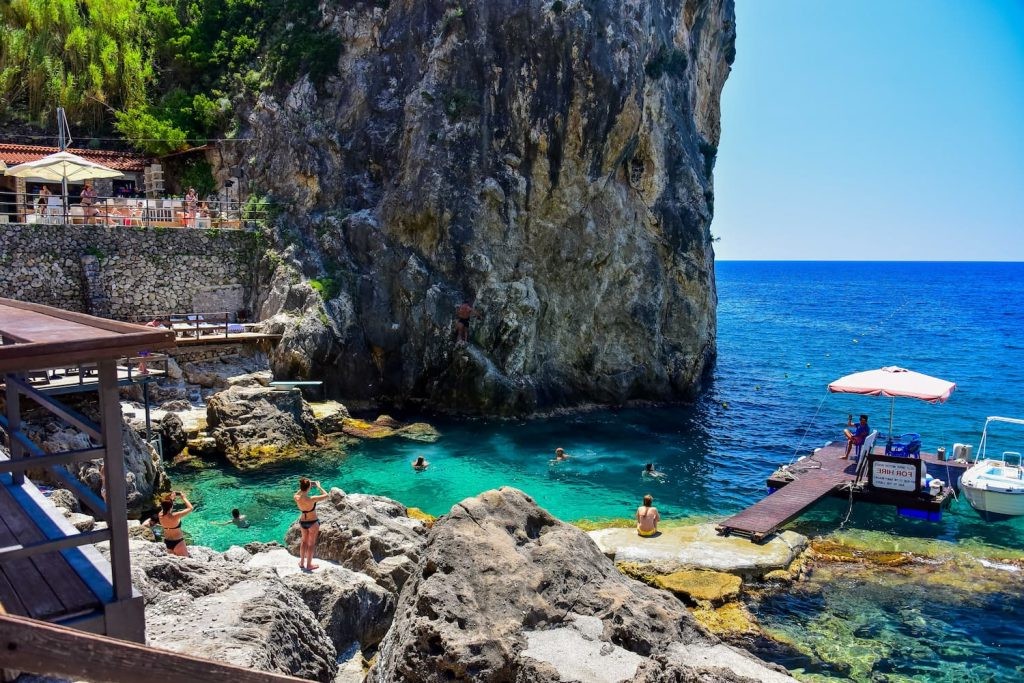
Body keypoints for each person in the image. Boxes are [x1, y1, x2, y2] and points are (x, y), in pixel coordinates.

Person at [294, 477, 329, 571]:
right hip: (313, 522)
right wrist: (319, 486)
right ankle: (309, 565)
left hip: (302, 522)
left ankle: (301, 563)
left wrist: (305, 486)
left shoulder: (297, 498)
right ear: (309, 487)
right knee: (311, 544)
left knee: (303, 542)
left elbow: (298, 493)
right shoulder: (312, 499)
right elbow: (326, 495)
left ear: (301, 487)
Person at [159, 491, 194, 556]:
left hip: (167, 542)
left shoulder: (160, 515)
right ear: (171, 506)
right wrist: (183, 497)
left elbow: (165, 507)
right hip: (178, 542)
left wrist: (171, 499)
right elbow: (190, 508)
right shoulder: (175, 516)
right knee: (185, 561)